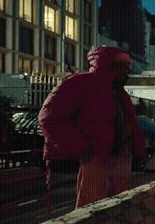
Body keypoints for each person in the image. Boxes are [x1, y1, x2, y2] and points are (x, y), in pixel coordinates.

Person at [38, 46, 146, 208]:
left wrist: (136, 152)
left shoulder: (119, 93)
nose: (126, 70)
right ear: (107, 64)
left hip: (118, 157)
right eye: (121, 65)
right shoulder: (80, 84)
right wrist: (83, 149)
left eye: (127, 66)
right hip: (97, 158)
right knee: (91, 212)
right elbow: (49, 118)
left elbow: (129, 124)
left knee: (111, 212)